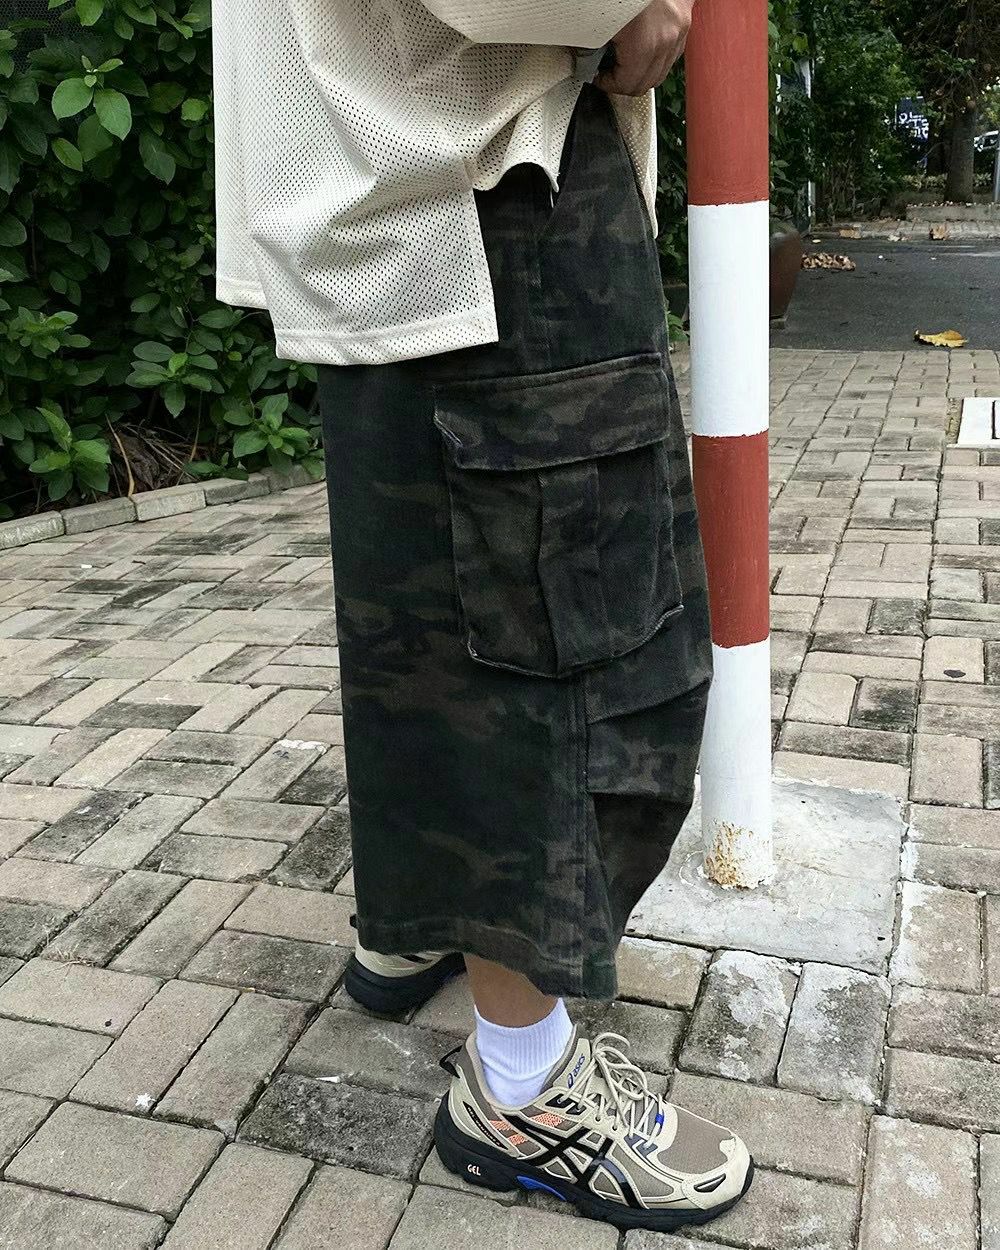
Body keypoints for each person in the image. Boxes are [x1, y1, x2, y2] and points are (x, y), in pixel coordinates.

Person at [212, 0, 753, 1232]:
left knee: (428, 616)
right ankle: (522, 1085)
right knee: (559, 646)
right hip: (493, 174)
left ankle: (421, 926)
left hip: (388, 172)